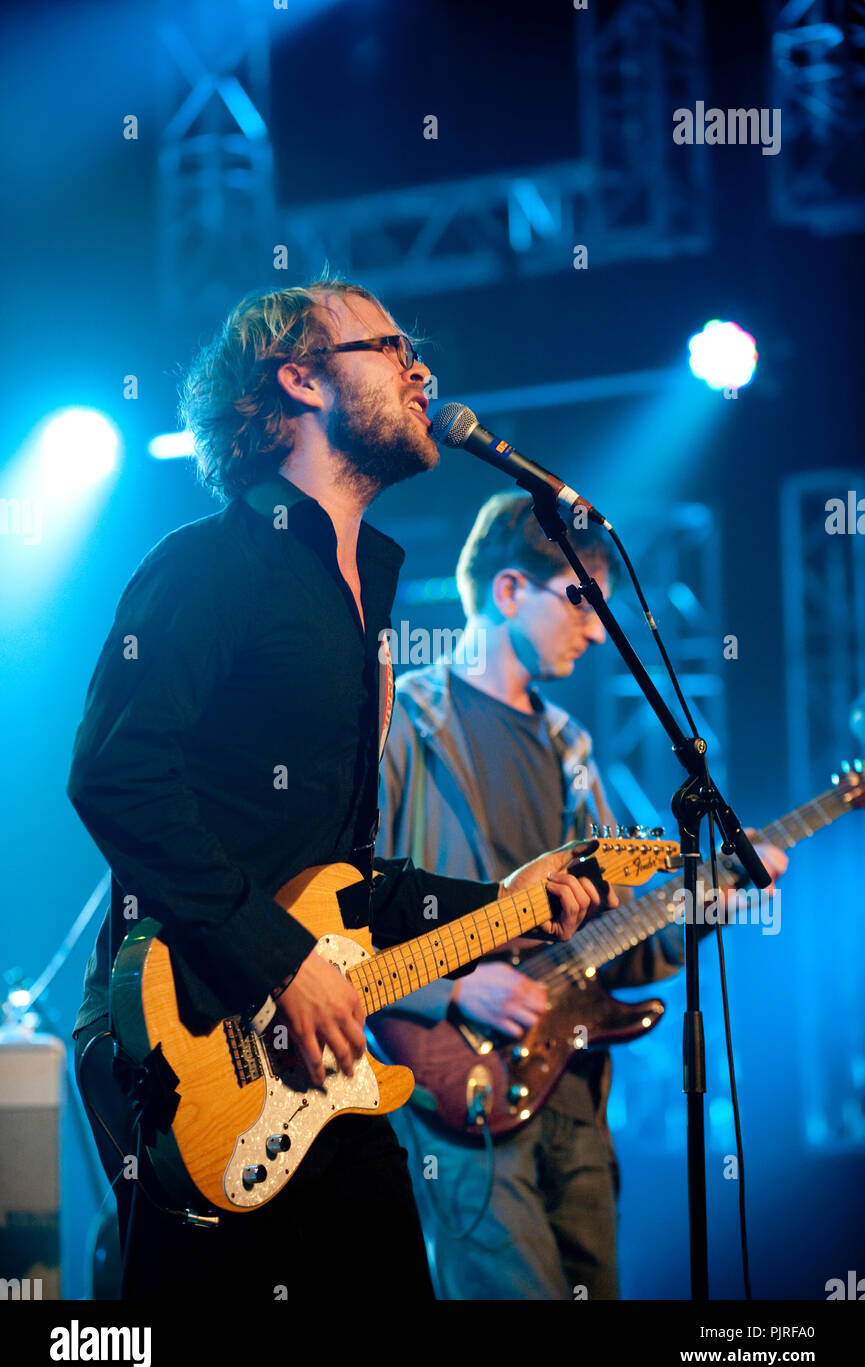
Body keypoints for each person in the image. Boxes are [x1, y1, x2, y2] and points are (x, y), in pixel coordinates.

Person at [67, 282, 603, 1301]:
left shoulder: (366, 605)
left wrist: (503, 904)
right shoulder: (210, 566)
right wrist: (282, 962)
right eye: (390, 346)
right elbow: (114, 774)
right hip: (193, 1044)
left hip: (318, 1068)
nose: (420, 372)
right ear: (300, 378)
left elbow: (343, 881)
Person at [373, 491, 787, 1300]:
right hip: (453, 1080)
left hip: (574, 1085)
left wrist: (704, 907)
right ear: (506, 592)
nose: (597, 630)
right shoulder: (405, 725)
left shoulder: (573, 749)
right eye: (579, 601)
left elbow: (618, 946)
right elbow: (342, 910)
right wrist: (454, 986)